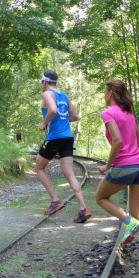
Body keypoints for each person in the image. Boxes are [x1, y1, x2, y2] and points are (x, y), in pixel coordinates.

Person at [95, 79, 139, 264]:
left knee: (100, 198)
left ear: (111, 92)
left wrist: (108, 166)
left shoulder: (108, 113)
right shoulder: (129, 113)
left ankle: (128, 222)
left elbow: (117, 140)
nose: (104, 95)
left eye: (105, 92)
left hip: (123, 166)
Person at [36, 70, 91, 223]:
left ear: (45, 82)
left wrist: (44, 124)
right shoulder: (64, 96)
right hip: (68, 137)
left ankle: (55, 201)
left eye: (42, 82)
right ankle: (83, 209)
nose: (42, 85)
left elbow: (53, 110)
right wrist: (63, 118)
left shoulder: (47, 94)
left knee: (39, 168)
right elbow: (75, 116)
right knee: (70, 174)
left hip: (55, 137)